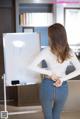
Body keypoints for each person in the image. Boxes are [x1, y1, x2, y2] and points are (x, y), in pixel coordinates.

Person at [28, 23, 80, 119]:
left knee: (48, 117)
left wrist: (50, 73)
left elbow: (31, 66)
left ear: (52, 37)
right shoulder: (69, 51)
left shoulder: (46, 51)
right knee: (56, 115)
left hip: (47, 87)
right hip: (62, 87)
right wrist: (63, 79)